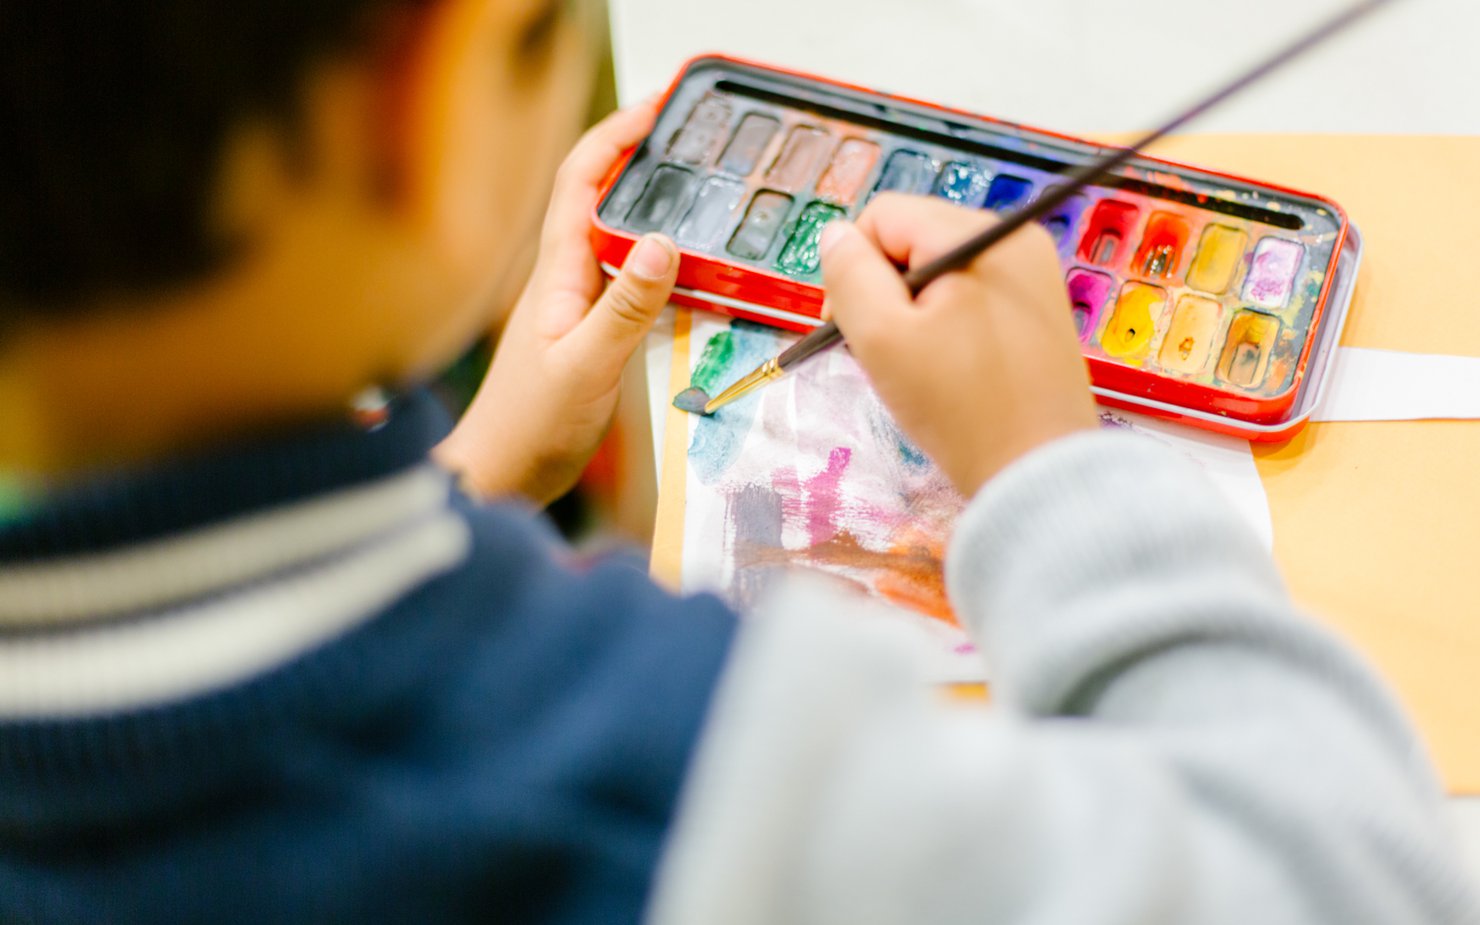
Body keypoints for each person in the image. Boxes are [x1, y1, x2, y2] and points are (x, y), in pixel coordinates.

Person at [0, 1, 1474, 923]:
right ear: (420, 101)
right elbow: (1354, 879)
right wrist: (1049, 471)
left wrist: (479, 469)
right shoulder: (668, 760)